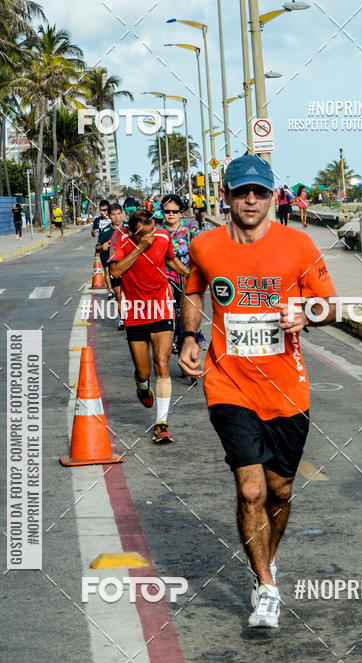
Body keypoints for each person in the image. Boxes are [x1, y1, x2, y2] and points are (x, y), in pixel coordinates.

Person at [178, 154, 337, 629]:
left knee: (279, 489)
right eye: (241, 191)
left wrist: (305, 314)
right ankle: (265, 584)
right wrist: (189, 337)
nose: (251, 199)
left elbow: (330, 306)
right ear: (225, 195)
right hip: (227, 383)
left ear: (272, 196)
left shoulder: (299, 245)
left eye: (260, 192)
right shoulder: (204, 246)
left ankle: (265, 556)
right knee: (250, 491)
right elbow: (193, 292)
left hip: (287, 387)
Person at [109, 210, 187, 443]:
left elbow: (171, 259)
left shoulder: (163, 236)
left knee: (162, 363)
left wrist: (191, 273)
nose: (152, 236)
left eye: (153, 230)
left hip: (162, 308)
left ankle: (161, 424)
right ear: (134, 233)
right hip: (136, 311)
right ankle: (142, 386)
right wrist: (140, 247)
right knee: (143, 371)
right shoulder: (121, 238)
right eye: (146, 234)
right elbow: (115, 271)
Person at [160, 193, 206, 357]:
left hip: (188, 274)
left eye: (174, 211)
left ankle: (196, 332)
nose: (171, 214)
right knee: (169, 306)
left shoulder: (191, 229)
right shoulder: (158, 233)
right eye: (167, 211)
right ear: (162, 212)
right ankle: (170, 336)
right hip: (166, 275)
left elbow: (202, 249)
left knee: (195, 303)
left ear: (181, 212)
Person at [96, 202, 126, 316]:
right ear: (109, 216)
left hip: (129, 267)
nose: (117, 217)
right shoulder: (105, 232)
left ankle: (135, 319)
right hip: (114, 269)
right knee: (118, 294)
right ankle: (123, 319)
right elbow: (97, 247)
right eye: (113, 214)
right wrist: (102, 247)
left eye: (119, 214)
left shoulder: (129, 227)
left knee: (132, 295)